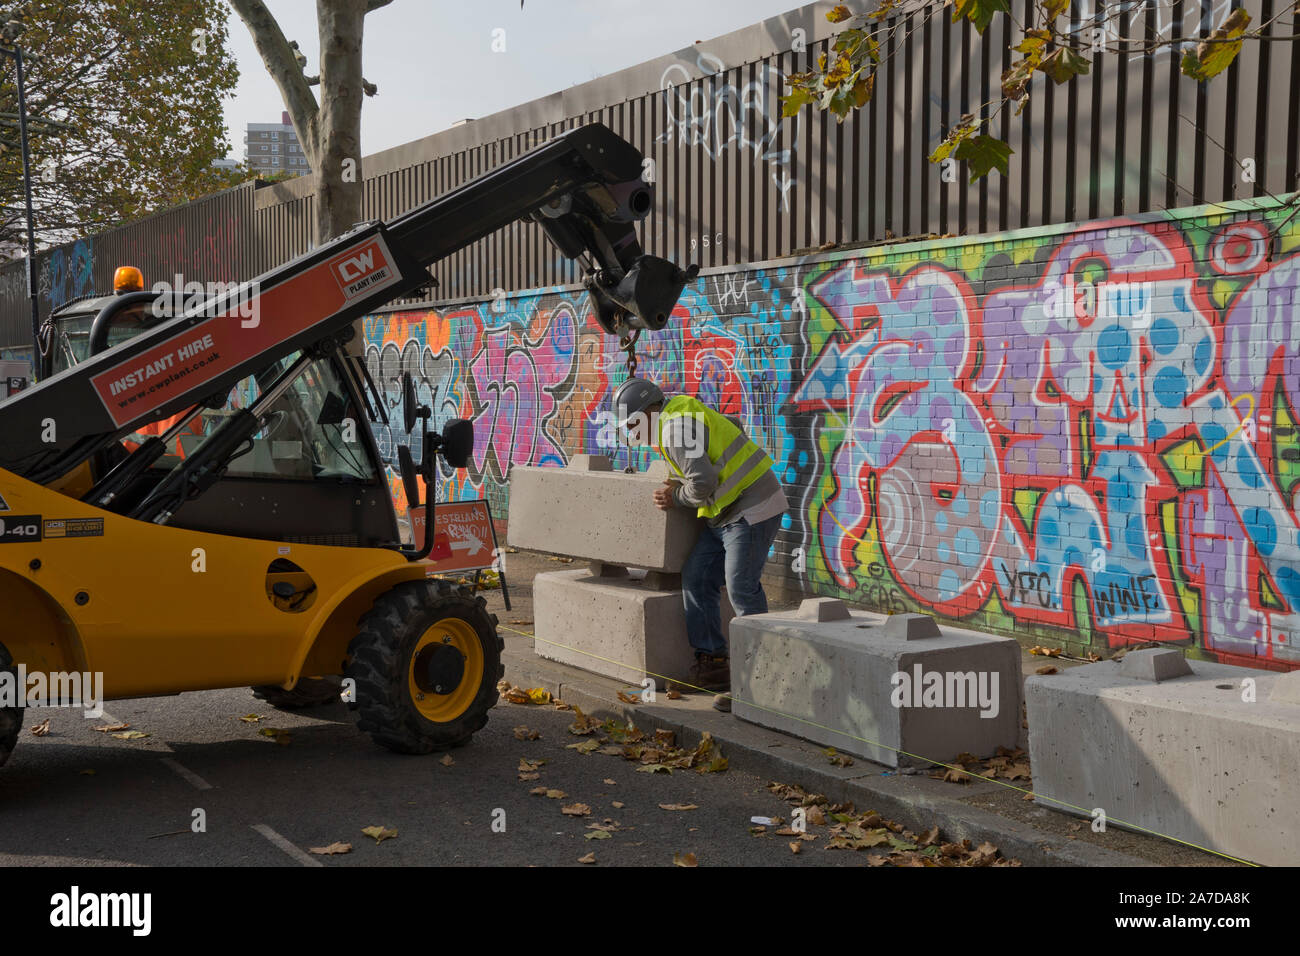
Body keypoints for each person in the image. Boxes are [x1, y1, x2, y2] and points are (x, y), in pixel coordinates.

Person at [613, 377, 787, 711]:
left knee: (741, 588)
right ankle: (714, 664)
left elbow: (703, 482)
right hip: (724, 515)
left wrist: (675, 496)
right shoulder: (677, 415)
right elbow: (730, 428)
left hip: (753, 509)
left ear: (647, 412)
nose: (632, 434)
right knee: (697, 577)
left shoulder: (674, 429)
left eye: (632, 425)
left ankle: (760, 681)